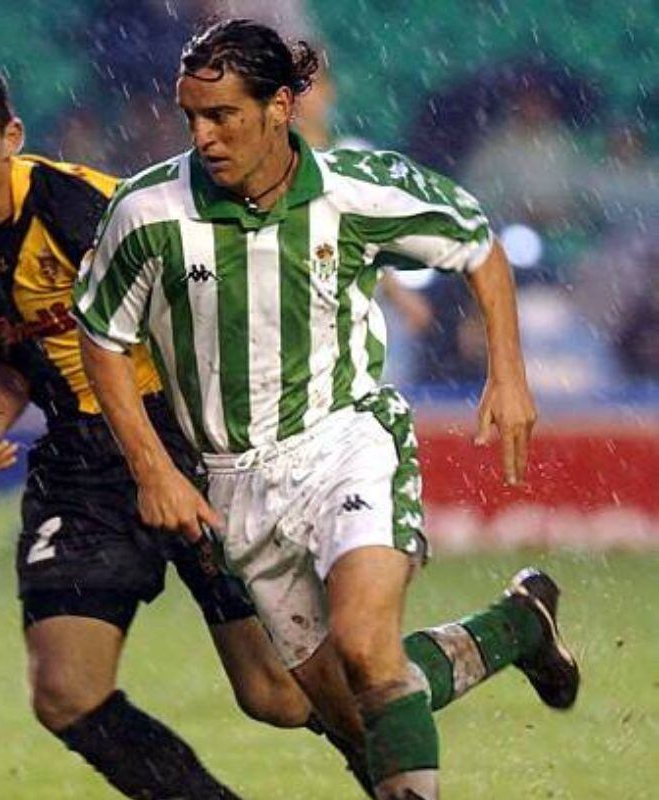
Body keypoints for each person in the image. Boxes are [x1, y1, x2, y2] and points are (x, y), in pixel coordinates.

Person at [73, 20, 580, 800]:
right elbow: (101, 335)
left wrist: (508, 373)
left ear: (280, 108)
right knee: (345, 710)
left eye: (222, 116)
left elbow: (476, 241)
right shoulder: (148, 212)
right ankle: (515, 628)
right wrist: (152, 470)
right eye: (191, 118)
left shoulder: (354, 189)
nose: (202, 137)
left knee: (368, 647)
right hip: (234, 481)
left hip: (348, 441)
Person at [0, 58, 306, 800]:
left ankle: (485, 641)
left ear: (10, 137)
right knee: (66, 692)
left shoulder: (84, 211)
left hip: (185, 438)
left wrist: (191, 452)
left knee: (283, 696)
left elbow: (191, 315)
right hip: (83, 463)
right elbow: (9, 362)